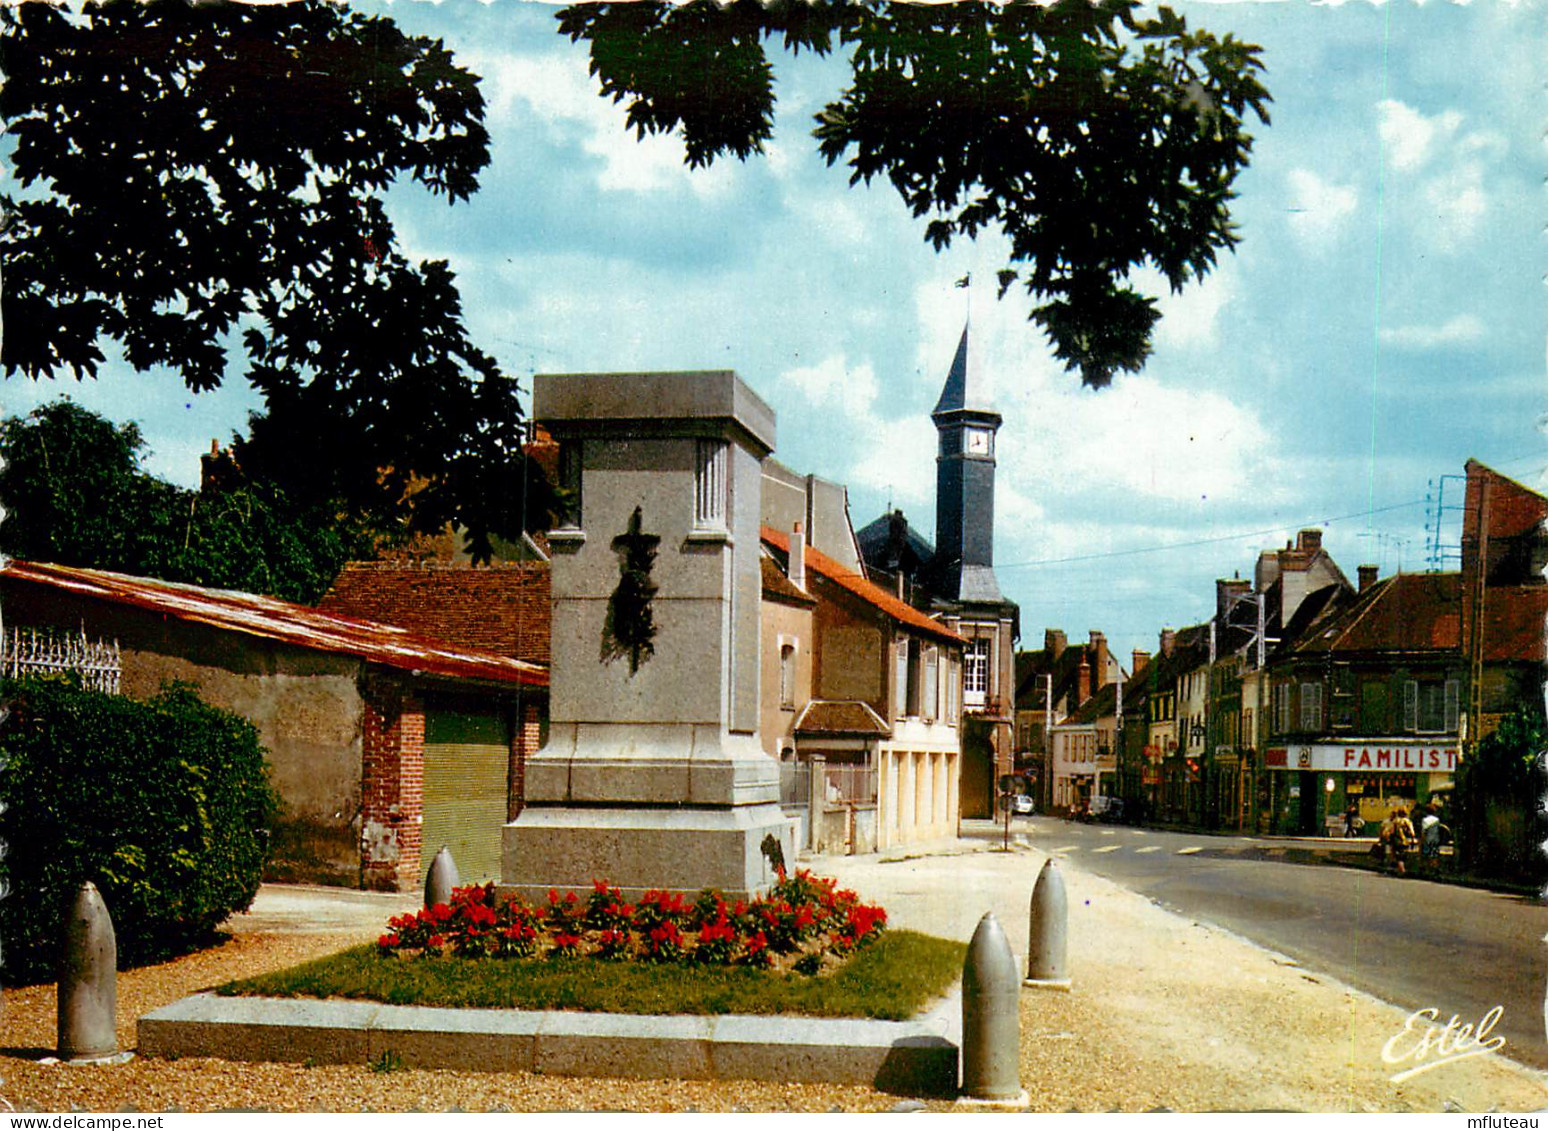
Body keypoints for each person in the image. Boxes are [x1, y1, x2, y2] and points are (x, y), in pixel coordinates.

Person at [1389, 807, 1418, 876]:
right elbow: (1412, 832)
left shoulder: (1395, 821)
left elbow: (1391, 831)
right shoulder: (1407, 821)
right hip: (1404, 840)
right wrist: (1413, 839)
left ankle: (1400, 869)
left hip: (1396, 840)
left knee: (1398, 856)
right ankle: (1402, 870)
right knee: (1402, 856)